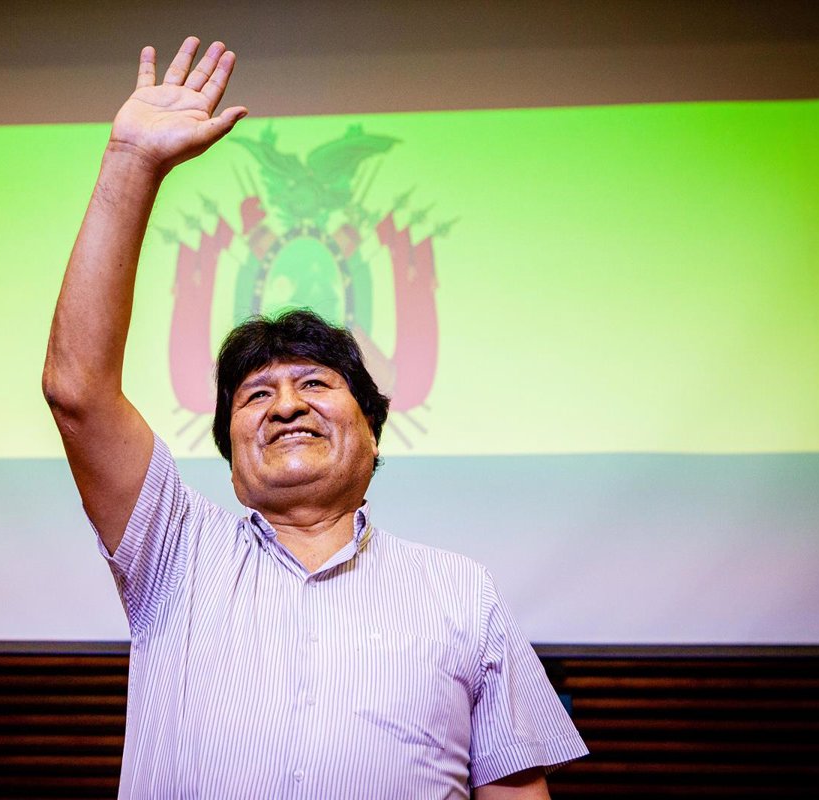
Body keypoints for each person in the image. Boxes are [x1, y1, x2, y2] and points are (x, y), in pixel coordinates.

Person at [43, 36, 588, 799]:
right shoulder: (175, 554)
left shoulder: (463, 593)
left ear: (371, 429)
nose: (287, 404)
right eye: (255, 396)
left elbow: (514, 792)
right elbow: (77, 391)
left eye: (314, 383)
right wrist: (130, 163)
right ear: (231, 459)